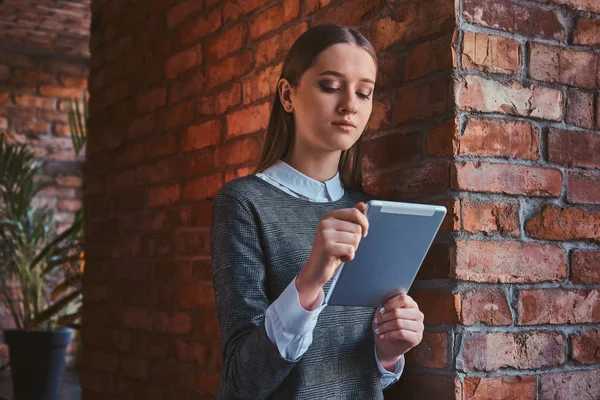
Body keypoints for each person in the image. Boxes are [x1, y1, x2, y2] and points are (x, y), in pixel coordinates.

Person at [210, 24, 425, 399]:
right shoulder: (243, 203)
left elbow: (356, 370)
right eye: (330, 86)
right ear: (287, 95)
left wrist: (388, 355)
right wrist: (310, 280)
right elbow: (241, 382)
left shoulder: (370, 211)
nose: (350, 105)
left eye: (364, 92)